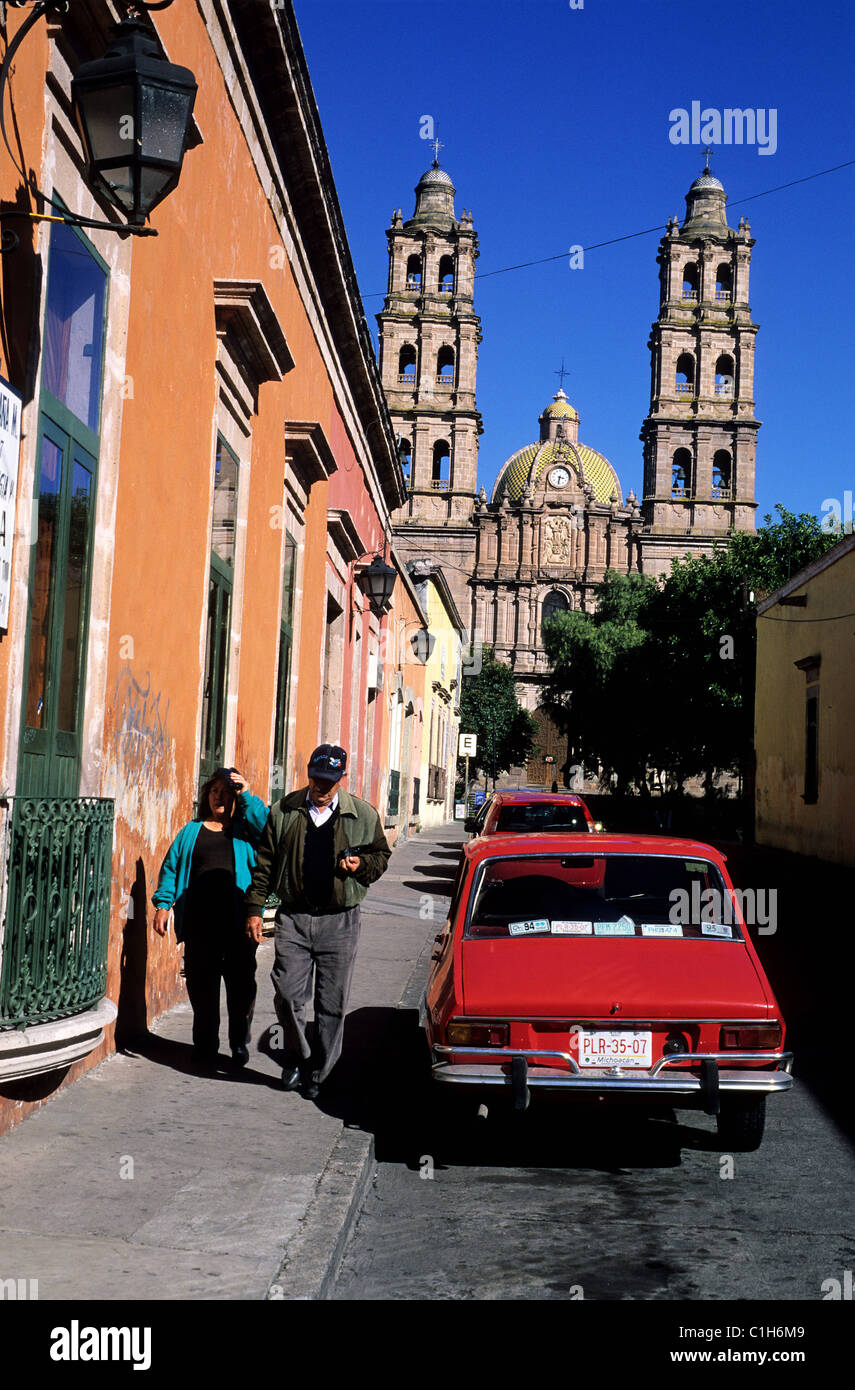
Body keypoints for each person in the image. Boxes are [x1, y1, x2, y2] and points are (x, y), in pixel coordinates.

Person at [245, 745, 391, 1098]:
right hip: (294, 916)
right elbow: (264, 863)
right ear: (308, 774)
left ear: (342, 779)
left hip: (339, 922)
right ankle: (298, 1055)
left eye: (329, 781)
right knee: (286, 994)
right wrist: (254, 908)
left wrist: (362, 866)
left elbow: (381, 855)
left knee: (332, 1003)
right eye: (316, 779)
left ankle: (321, 1072)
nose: (321, 787)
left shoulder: (363, 815)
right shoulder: (284, 811)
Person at [153, 768, 268, 1068]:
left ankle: (239, 1042)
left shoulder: (245, 831)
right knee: (202, 989)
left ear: (234, 797)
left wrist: (247, 795)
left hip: (238, 923)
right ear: (207, 795)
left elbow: (268, 828)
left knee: (241, 988)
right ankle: (205, 1045)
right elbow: (171, 867)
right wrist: (164, 905)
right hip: (200, 924)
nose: (220, 796)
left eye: (226, 791)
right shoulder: (191, 831)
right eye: (214, 790)